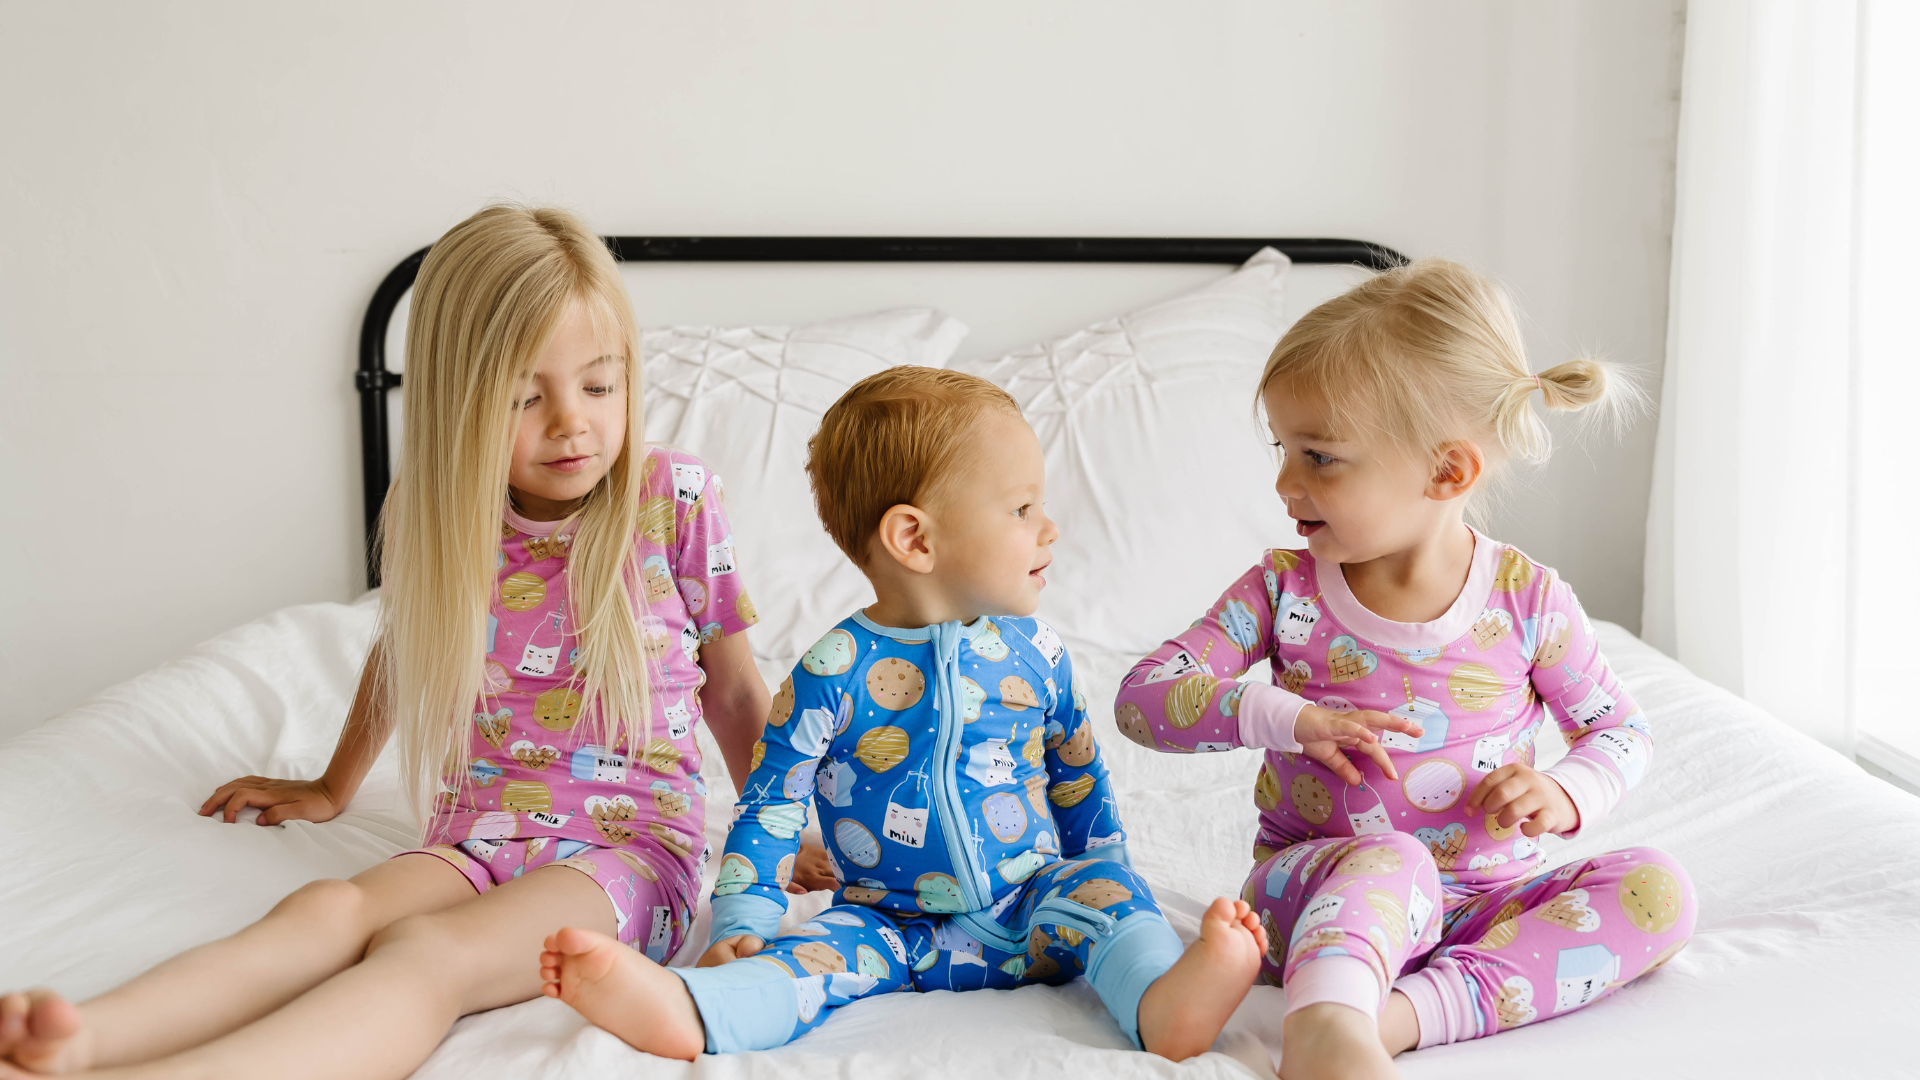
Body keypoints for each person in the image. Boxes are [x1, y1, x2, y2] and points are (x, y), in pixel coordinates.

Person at [0, 203, 826, 1079]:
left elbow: (732, 692)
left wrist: (785, 832)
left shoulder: (675, 498)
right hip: (476, 830)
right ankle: (86, 1038)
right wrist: (332, 785)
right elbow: (405, 652)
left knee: (429, 957)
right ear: (462, 402)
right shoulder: (439, 513)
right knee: (327, 910)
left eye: (599, 385)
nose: (570, 422)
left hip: (629, 850)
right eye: (524, 396)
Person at [537, 367, 1268, 1060]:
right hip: (886, 922)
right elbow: (770, 809)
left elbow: (1079, 778)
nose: (1049, 529)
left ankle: (1166, 1000)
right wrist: (743, 928)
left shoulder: (1037, 653)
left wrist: (1108, 871)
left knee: (1111, 904)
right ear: (915, 539)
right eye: (1021, 509)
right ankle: (694, 1007)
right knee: (802, 964)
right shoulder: (832, 674)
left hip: (1033, 903)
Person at [1112, 260, 1696, 1080]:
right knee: (1397, 857)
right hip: (1314, 898)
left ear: (1446, 473)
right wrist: (1287, 717)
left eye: (1319, 457)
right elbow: (1144, 701)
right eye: (1283, 449)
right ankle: (1325, 1020)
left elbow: (1620, 731)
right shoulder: (1283, 589)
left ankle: (1392, 1021)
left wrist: (1565, 793)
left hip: (1478, 910)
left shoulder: (1529, 601)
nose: (1284, 483)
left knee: (1658, 891)